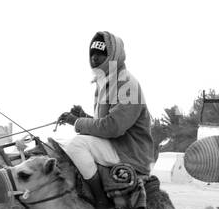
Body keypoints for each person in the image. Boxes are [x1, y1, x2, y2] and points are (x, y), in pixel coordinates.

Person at [57, 31, 156, 180]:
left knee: (76, 145)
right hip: (116, 146)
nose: (94, 58)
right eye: (92, 53)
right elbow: (105, 124)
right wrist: (83, 116)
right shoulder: (106, 82)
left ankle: (100, 200)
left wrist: (76, 121)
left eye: (101, 53)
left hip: (130, 153)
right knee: (62, 145)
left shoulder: (127, 84)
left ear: (113, 56)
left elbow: (112, 127)